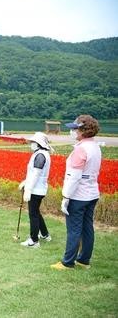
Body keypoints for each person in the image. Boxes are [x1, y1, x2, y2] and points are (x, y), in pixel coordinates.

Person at [51, 115, 102, 270]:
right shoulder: (95, 146)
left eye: (74, 129)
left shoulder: (80, 149)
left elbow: (74, 176)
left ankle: (68, 262)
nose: (72, 132)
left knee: (74, 229)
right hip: (92, 192)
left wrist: (66, 196)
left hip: (78, 194)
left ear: (82, 130)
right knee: (87, 227)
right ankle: (84, 260)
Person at [18, 132, 53, 248]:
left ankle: (33, 240)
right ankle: (45, 234)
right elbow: (33, 173)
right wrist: (25, 181)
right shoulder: (41, 153)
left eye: (33, 142)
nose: (31, 144)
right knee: (36, 212)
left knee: (33, 214)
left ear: (38, 143)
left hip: (36, 189)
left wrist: (28, 189)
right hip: (39, 188)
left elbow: (36, 174)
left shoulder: (40, 155)